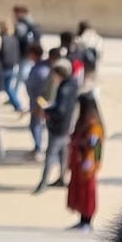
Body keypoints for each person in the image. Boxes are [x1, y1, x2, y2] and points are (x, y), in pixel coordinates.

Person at [34, 58, 79, 193]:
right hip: (67, 125)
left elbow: (60, 110)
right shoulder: (73, 84)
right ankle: (61, 178)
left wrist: (46, 111)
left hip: (59, 127)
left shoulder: (64, 89)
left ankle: (43, 184)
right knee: (62, 154)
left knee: (51, 155)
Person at [66, 94, 105, 231]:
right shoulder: (83, 122)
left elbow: (97, 147)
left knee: (87, 193)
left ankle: (87, 221)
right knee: (79, 192)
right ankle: (82, 219)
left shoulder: (94, 125)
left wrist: (93, 161)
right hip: (79, 163)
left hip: (87, 165)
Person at [23, 42, 50, 158]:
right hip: (35, 103)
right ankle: (37, 147)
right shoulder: (39, 67)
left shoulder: (40, 71)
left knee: (35, 126)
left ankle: (39, 149)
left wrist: (39, 107)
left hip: (38, 105)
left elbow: (42, 93)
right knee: (35, 125)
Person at [0, 21, 26, 114]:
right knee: (9, 88)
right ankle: (18, 106)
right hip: (12, 67)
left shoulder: (0, 39)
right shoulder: (15, 39)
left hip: (2, 68)